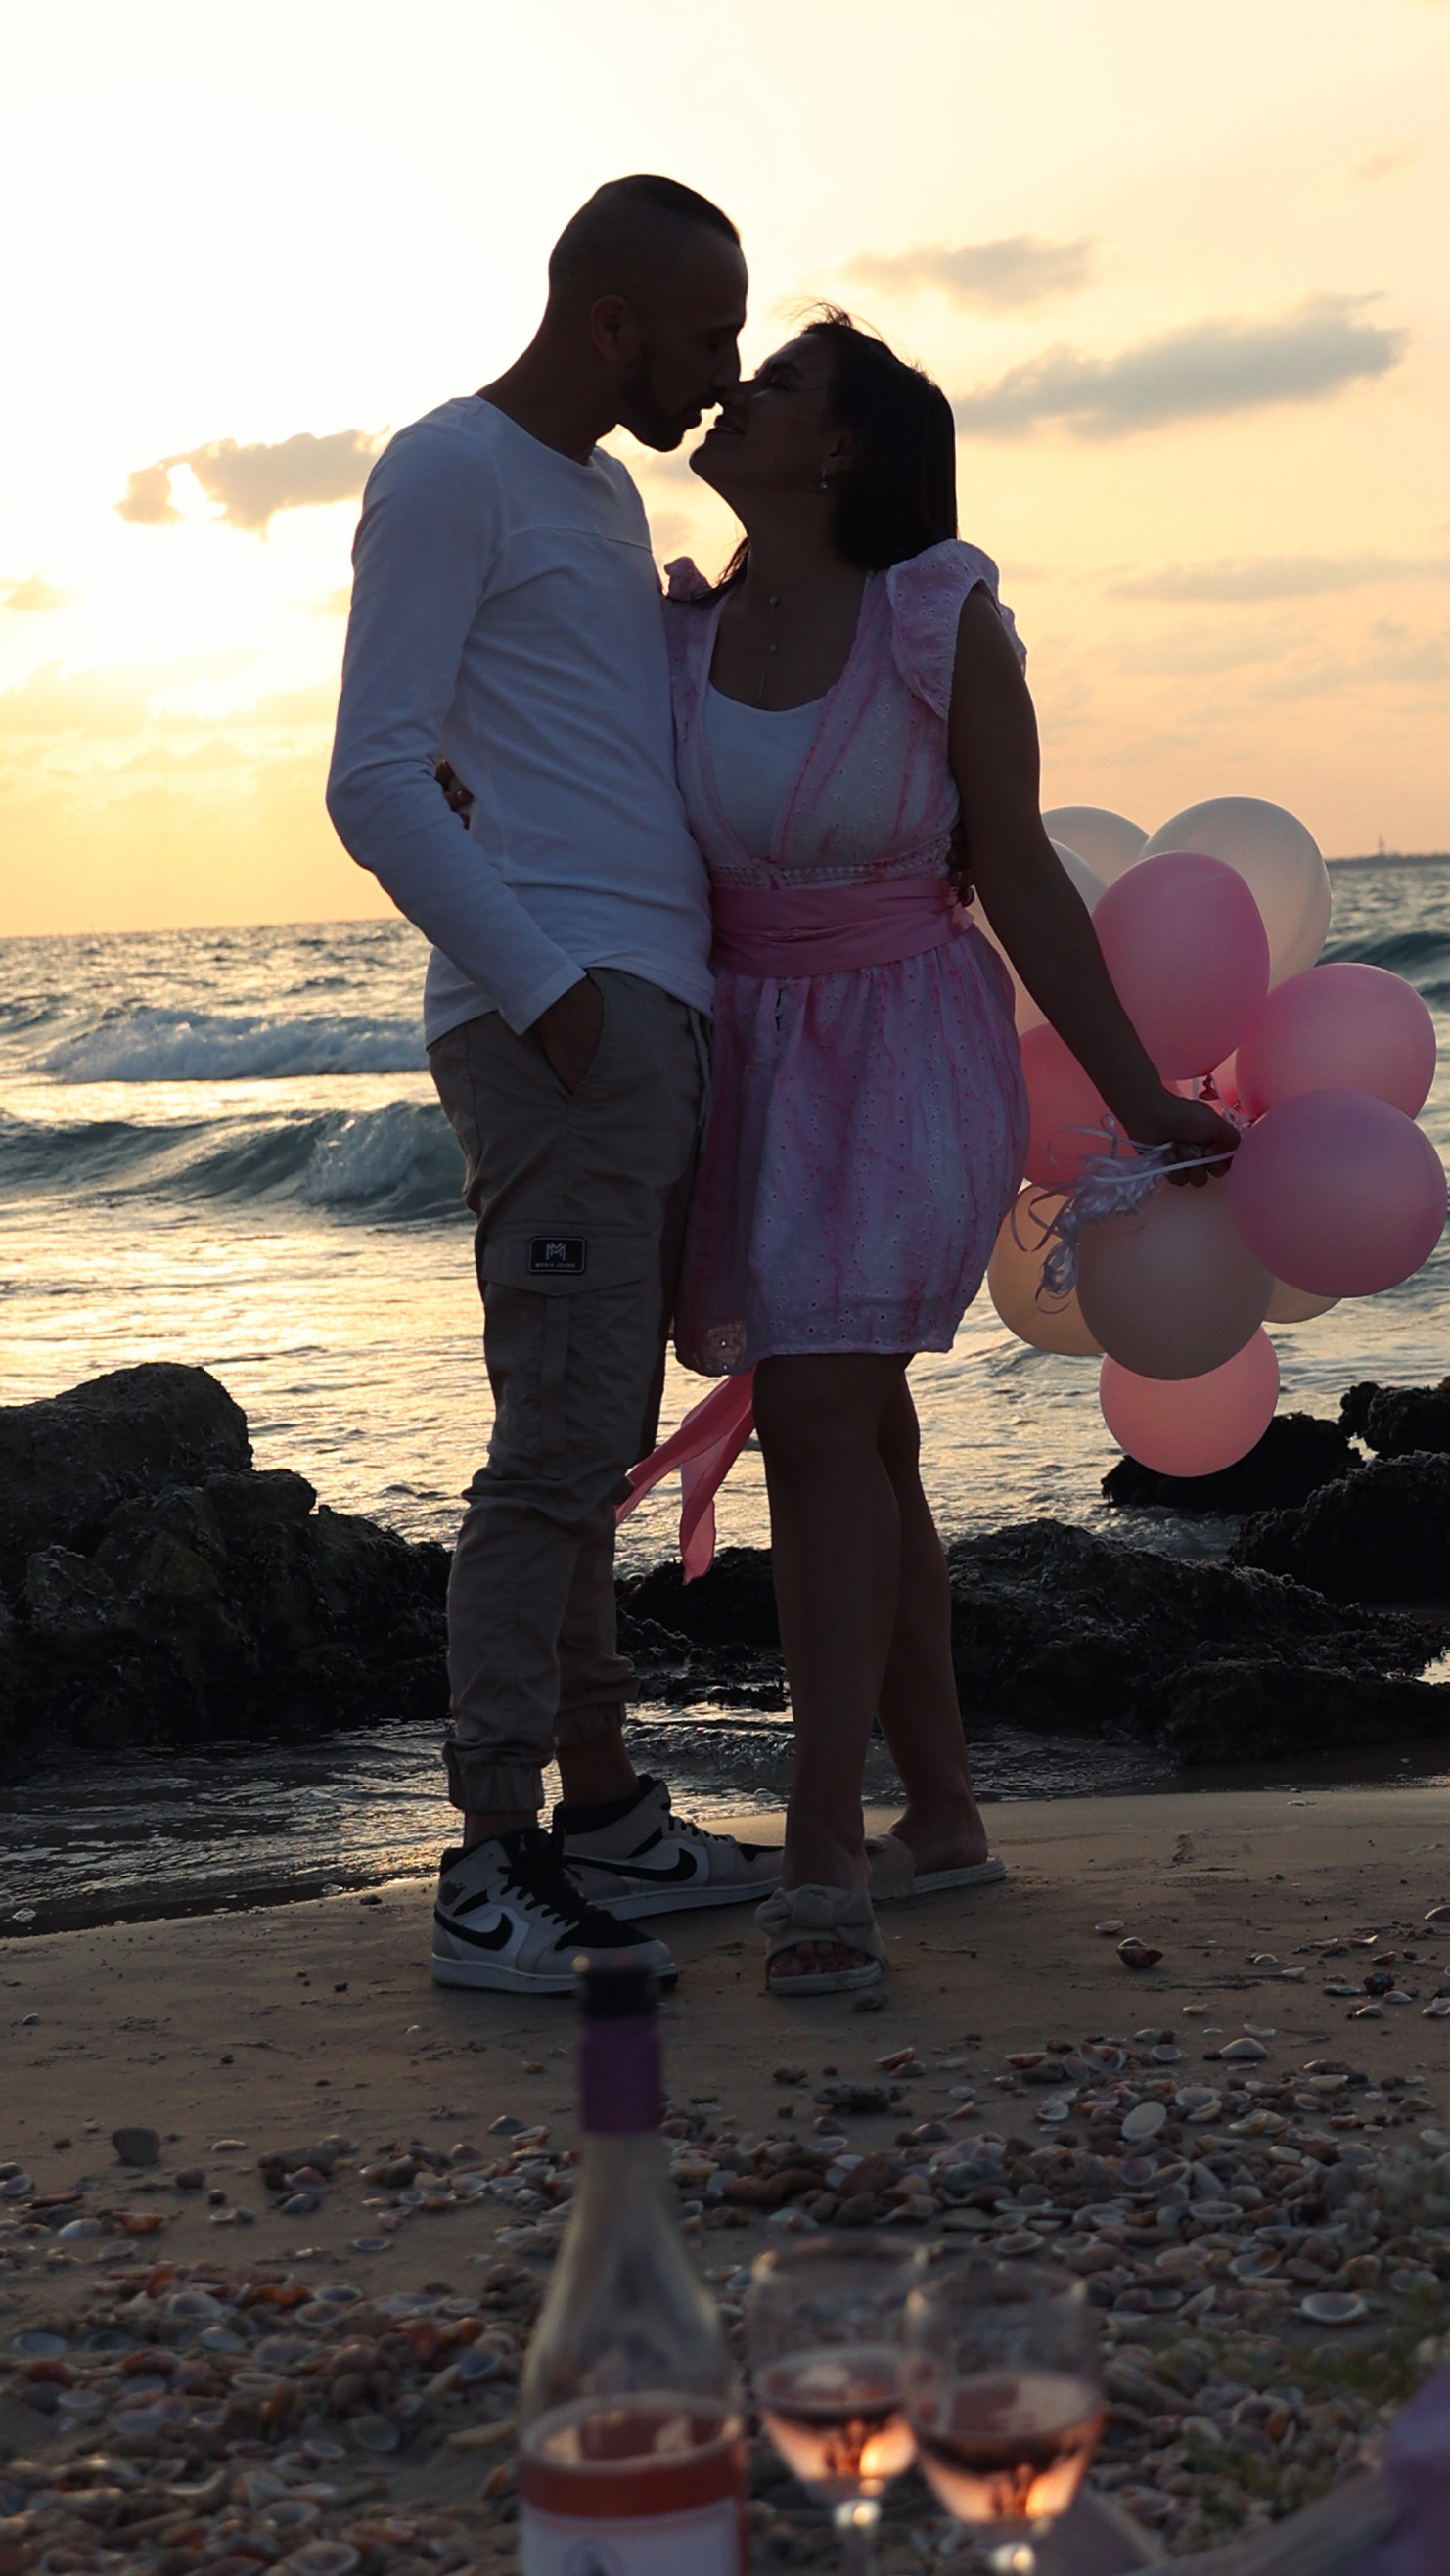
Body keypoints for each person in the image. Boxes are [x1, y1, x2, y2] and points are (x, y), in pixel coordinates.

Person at [657, 308, 1231, 1994]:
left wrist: (1137, 1098)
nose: (733, 395)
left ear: (838, 448)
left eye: (773, 388)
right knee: (858, 1438)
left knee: (824, 1417)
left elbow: (1027, 874)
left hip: (905, 1044)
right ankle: (951, 1823)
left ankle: (826, 1851)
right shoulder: (678, 628)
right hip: (747, 1055)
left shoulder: (939, 616)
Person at [326, 175, 778, 1996]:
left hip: (641, 1020)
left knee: (590, 1444)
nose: (722, 373)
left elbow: (565, 748)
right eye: (708, 333)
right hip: (566, 1030)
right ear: (613, 322)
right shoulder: (449, 468)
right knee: (552, 1458)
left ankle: (600, 1820)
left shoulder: (599, 494)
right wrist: (554, 998)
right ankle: (489, 1862)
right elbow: (371, 775)